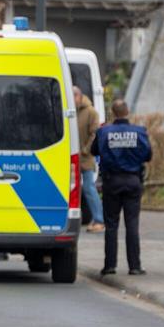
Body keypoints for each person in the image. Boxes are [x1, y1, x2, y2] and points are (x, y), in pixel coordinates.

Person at [92, 99, 151, 276]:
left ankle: (110, 266)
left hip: (112, 182)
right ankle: (135, 266)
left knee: (111, 225)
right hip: (133, 181)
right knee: (132, 224)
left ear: (113, 112)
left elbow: (94, 151)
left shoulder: (103, 132)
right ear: (127, 112)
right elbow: (148, 155)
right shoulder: (140, 132)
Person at [74, 87, 104, 232]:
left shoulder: (91, 112)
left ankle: (99, 219)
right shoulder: (71, 110)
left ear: (79, 96)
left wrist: (86, 150)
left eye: (74, 96)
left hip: (85, 158)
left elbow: (95, 134)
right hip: (72, 157)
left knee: (89, 188)